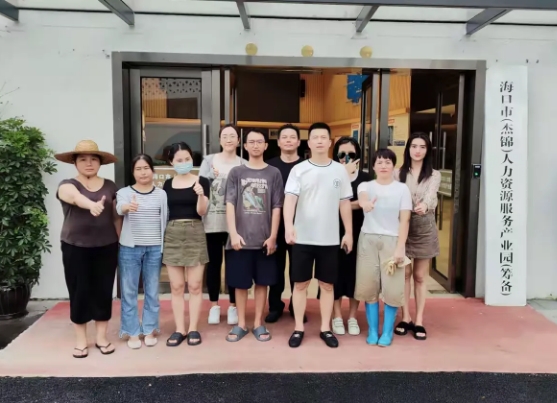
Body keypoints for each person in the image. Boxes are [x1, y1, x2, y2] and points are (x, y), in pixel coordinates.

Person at [283, 122, 353, 349]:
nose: (320, 141)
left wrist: (348, 233)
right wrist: (288, 226)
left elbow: (344, 203)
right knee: (300, 284)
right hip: (302, 238)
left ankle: (325, 328)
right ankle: (298, 328)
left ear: (330, 142)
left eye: (324, 137)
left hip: (329, 239)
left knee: (327, 285)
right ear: (309, 142)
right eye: (316, 137)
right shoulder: (299, 169)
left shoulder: (339, 170)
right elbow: (290, 200)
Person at [55, 140, 122, 358]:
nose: (89, 163)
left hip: (107, 246)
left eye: (94, 159)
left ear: (100, 163)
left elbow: (116, 217)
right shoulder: (67, 184)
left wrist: (120, 241)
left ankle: (101, 338)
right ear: (75, 163)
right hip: (75, 247)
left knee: (103, 291)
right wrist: (91, 205)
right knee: (79, 291)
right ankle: (81, 341)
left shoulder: (110, 186)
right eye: (83, 159)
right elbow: (73, 197)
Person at [224, 129, 283, 342]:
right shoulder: (236, 173)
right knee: (240, 284)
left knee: (262, 283)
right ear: (245, 146)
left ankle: (258, 323)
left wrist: (273, 236)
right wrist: (233, 234)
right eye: (252, 142)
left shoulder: (274, 173)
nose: (256, 145)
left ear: (266, 145)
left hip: (264, 241)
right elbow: (230, 204)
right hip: (240, 241)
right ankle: (241, 324)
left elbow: (277, 206)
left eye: (260, 142)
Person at [354, 148, 412, 347]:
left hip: (392, 240)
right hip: (368, 240)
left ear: (394, 166)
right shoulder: (366, 185)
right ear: (373, 166)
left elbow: (405, 220)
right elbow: (362, 197)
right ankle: (373, 330)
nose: (384, 165)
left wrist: (400, 247)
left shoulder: (402, 189)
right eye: (379, 162)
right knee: (369, 286)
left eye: (388, 162)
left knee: (393, 288)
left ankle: (387, 332)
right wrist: (365, 204)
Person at [116, 154, 168, 349]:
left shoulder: (161, 194)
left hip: (154, 248)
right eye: (138, 169)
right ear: (133, 172)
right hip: (130, 248)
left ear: (152, 170)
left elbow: (165, 218)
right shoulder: (124, 192)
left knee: (152, 290)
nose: (143, 172)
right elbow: (119, 208)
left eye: (146, 168)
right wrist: (127, 207)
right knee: (129, 291)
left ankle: (149, 329)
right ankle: (131, 331)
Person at [394, 132, 441, 341]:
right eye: (414, 146)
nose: (418, 150)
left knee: (420, 276)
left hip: (424, 227)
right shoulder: (397, 173)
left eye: (422, 147)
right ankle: (405, 317)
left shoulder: (434, 175)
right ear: (408, 149)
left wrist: (425, 204)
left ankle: (419, 320)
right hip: (402, 226)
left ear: (427, 150)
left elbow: (431, 196)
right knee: (404, 274)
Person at [163, 142, 210, 347]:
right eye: (179, 160)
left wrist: (200, 194)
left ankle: (193, 328)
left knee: (195, 285)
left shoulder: (202, 181)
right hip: (173, 232)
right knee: (176, 286)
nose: (184, 162)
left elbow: (202, 211)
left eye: (187, 159)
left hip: (194, 230)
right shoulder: (167, 184)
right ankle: (179, 329)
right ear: (171, 162)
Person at [199, 124, 247, 326]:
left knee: (234, 265)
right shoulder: (209, 161)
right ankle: (214, 306)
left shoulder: (244, 163)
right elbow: (201, 188)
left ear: (238, 141)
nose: (228, 139)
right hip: (212, 221)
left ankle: (234, 305)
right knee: (213, 264)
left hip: (236, 224)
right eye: (225, 136)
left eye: (232, 136)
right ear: (219, 140)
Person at [329, 137, 372, 336]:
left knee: (356, 274)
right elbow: (327, 202)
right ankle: (337, 315)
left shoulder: (366, 178)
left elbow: (369, 202)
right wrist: (354, 203)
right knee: (334, 274)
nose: (346, 158)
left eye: (351, 154)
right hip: (333, 231)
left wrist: (346, 204)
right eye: (342, 154)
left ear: (358, 156)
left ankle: (353, 316)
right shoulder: (330, 175)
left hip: (360, 231)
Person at [265, 124, 304, 324]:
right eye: (284, 137)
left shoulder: (306, 166)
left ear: (298, 142)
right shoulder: (269, 167)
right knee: (275, 268)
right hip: (275, 226)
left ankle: (297, 306)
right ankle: (275, 306)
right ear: (278, 142)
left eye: (292, 137)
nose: (288, 140)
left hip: (302, 226)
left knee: (299, 269)